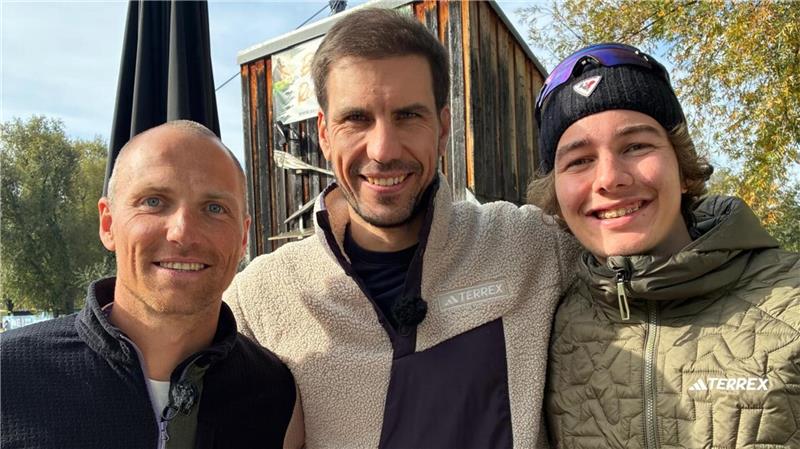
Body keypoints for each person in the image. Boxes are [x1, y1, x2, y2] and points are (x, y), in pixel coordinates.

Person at [224, 8, 579, 449]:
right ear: (325, 135)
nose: (383, 149)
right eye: (356, 119)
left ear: (443, 128)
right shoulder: (259, 300)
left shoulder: (531, 247)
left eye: (408, 116)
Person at [528, 43, 800, 448]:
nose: (610, 178)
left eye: (636, 146)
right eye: (579, 160)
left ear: (683, 168)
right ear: (556, 194)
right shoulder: (546, 324)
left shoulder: (791, 300)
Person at [0, 120, 301, 449]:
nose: (182, 232)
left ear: (243, 237)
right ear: (108, 224)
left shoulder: (275, 394)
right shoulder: (10, 376)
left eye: (214, 208)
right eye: (153, 202)